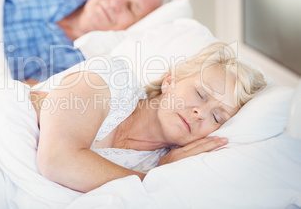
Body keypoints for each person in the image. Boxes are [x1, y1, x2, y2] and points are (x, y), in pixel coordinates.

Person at [30, 42, 267, 193]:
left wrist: (160, 174)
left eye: (217, 117)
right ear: (170, 80)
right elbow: (56, 160)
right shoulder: (112, 80)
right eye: (200, 94)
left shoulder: (165, 164)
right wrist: (152, 180)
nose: (200, 113)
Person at [3, 0, 171, 86]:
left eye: (131, 7)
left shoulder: (82, 71)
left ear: (137, 26)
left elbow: (19, 93)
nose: (115, 3)